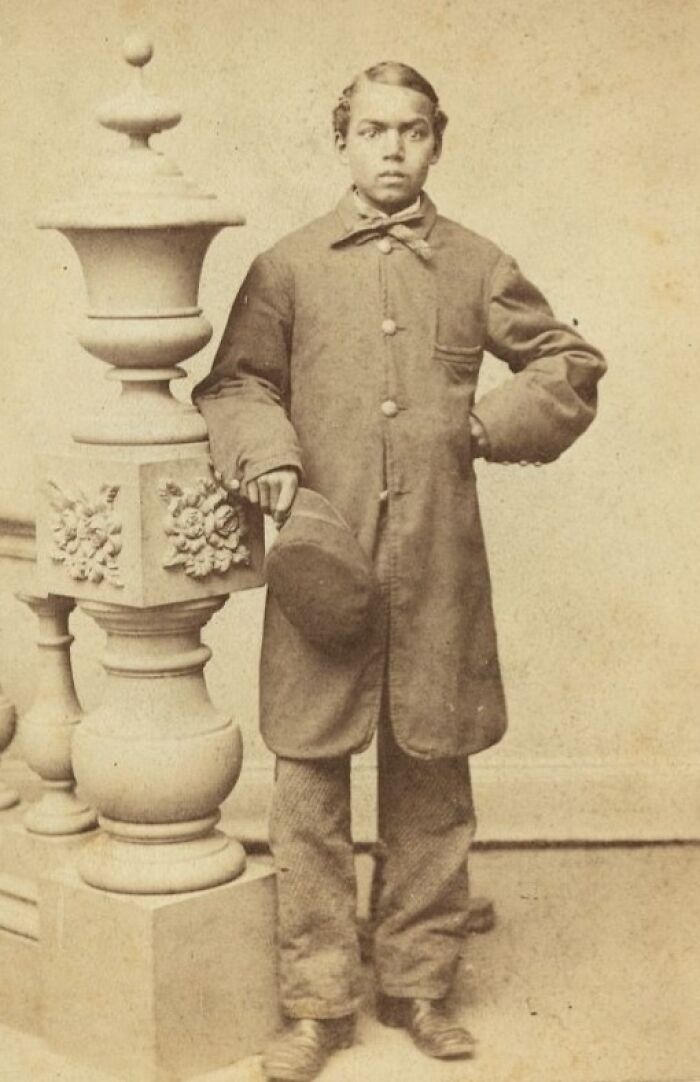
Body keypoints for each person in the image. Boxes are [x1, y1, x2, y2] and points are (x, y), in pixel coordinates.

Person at [193, 61, 606, 1082]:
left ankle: (419, 981)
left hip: (437, 565)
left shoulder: (473, 264)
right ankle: (316, 1000)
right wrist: (274, 461)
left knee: (431, 772)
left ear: (436, 140)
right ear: (340, 138)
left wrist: (483, 423)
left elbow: (567, 361)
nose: (390, 149)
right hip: (322, 563)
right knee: (308, 785)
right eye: (371, 129)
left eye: (410, 131)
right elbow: (235, 380)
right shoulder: (287, 267)